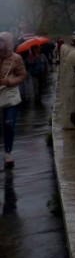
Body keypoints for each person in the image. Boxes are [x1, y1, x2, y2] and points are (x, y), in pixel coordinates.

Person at [0, 32, 27, 168]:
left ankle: (8, 152)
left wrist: (9, 81)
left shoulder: (16, 58)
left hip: (9, 96)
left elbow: (22, 75)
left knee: (9, 123)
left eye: (2, 41)